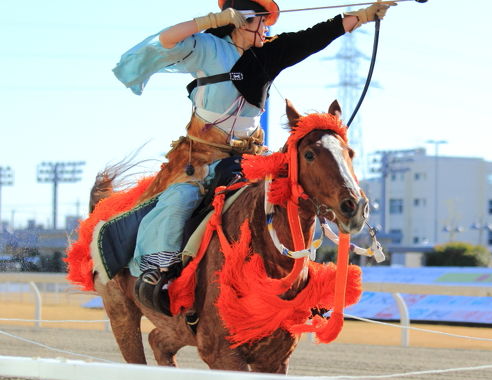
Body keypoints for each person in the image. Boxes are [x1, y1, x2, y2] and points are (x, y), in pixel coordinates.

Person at [112, 0, 396, 314]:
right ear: (241, 20)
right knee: (177, 201)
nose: (267, 28)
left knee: (292, 195)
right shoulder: (207, 48)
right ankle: (159, 272)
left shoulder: (268, 53)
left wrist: (362, 16)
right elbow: (166, 39)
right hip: (202, 158)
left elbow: (314, 36)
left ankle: (298, 280)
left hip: (249, 157)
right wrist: (211, 19)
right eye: (261, 21)